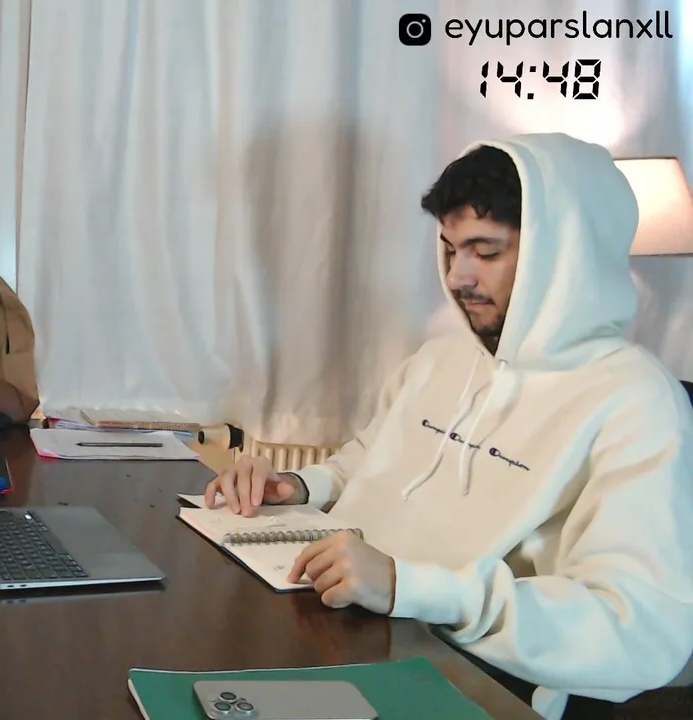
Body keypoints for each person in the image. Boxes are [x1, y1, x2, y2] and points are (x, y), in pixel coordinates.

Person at [206, 134, 693, 718]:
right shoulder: (442, 359)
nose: (459, 277)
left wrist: (412, 587)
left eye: (486, 253)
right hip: (348, 625)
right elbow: (367, 461)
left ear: (563, 257)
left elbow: (640, 632)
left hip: (469, 678)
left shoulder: (637, 403)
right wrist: (299, 487)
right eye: (449, 248)